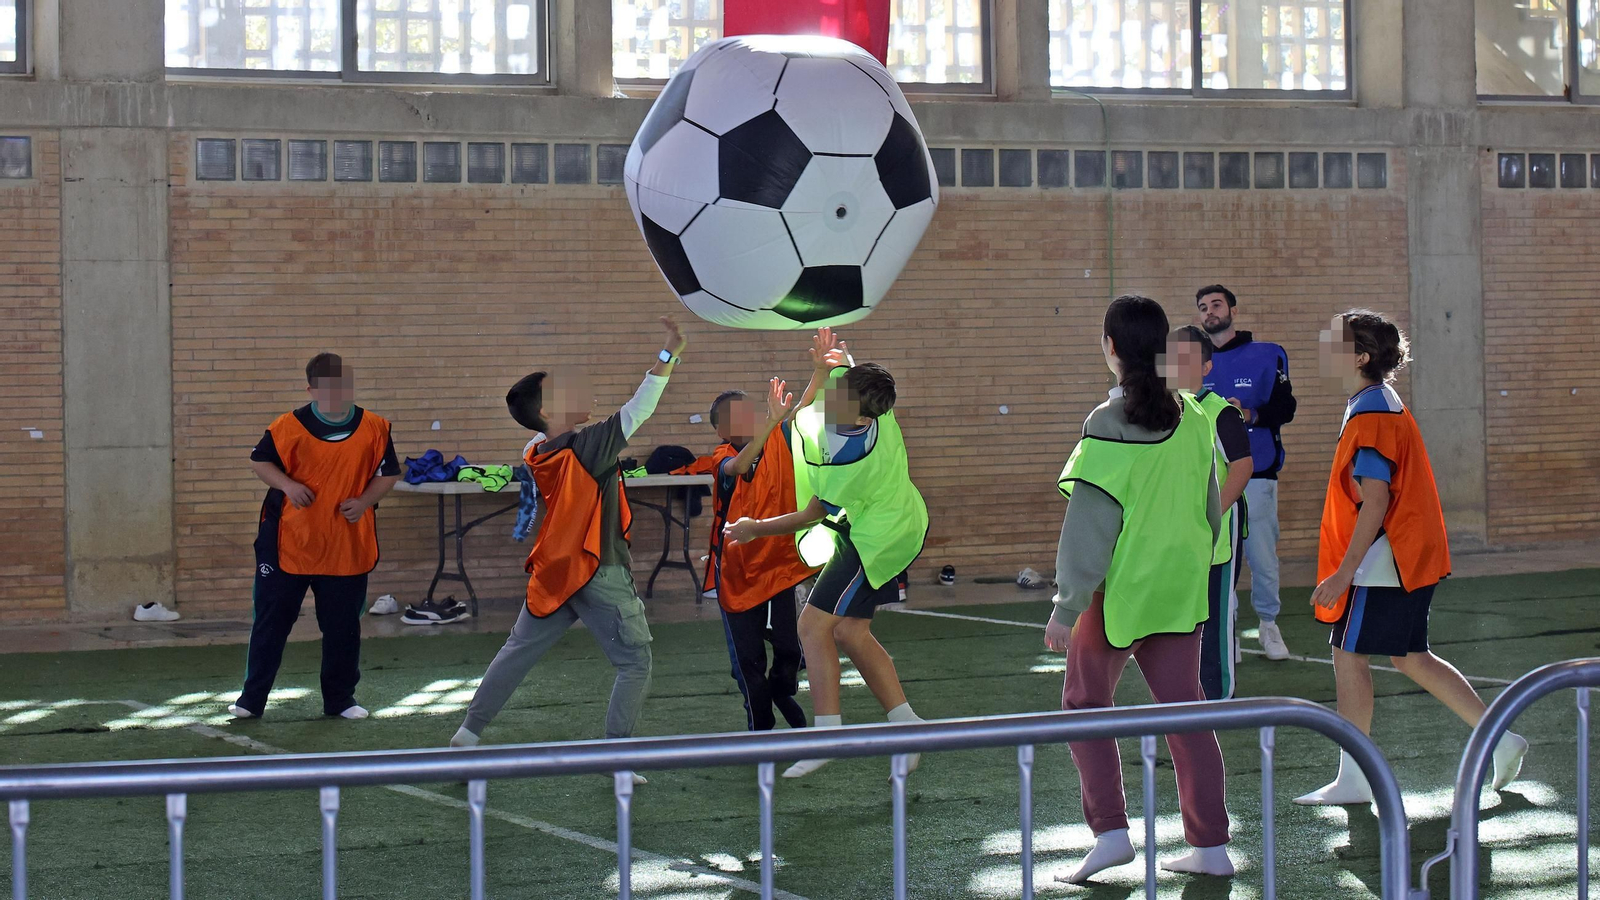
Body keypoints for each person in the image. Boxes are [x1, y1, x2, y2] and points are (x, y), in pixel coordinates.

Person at [1295, 310, 1528, 805]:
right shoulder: (1376, 402)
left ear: (1359, 357)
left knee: (1348, 654)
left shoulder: (1372, 413)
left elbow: (1375, 501)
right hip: (1404, 555)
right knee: (1410, 657)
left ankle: (1356, 778)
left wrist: (1342, 573)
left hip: (1386, 561)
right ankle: (1502, 740)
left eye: (1330, 341)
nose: (1321, 346)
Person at [450, 317, 688, 783]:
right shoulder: (585, 446)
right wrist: (668, 353)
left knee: (516, 651)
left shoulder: (536, 448)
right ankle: (618, 760)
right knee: (634, 661)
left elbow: (546, 433)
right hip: (597, 567)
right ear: (550, 409)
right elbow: (641, 407)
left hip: (554, 568)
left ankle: (468, 733)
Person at [1046, 296, 1233, 883]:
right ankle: (1210, 847)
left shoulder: (1105, 425)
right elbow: (1211, 510)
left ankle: (1110, 833)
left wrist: (1065, 607)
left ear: (1110, 349)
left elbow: (1088, 531)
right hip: (1180, 591)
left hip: (1118, 596)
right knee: (1187, 715)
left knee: (1083, 706)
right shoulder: (1198, 416)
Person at [723, 327, 928, 779]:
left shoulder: (846, 459)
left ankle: (827, 737)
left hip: (878, 537)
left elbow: (811, 513)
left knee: (812, 626)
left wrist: (755, 529)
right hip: (891, 520)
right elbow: (820, 398)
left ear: (853, 408)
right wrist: (824, 366)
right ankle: (908, 727)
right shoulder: (869, 406)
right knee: (851, 633)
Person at [230, 353, 400, 721]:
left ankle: (340, 700)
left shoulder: (375, 427)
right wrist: (289, 486)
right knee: (272, 622)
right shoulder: (287, 427)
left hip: (346, 544)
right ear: (311, 390)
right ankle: (251, 699)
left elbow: (388, 473)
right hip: (287, 541)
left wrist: (365, 501)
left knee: (342, 626)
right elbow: (260, 461)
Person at [694, 381, 817, 732]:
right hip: (737, 570)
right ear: (721, 430)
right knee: (748, 660)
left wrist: (820, 372)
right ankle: (760, 725)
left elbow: (804, 410)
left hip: (780, 562)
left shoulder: (779, 437)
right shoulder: (723, 457)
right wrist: (769, 424)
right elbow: (739, 466)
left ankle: (782, 691)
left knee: (791, 648)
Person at [1196, 284, 1296, 661]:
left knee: (1261, 554)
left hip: (1257, 473)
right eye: (1203, 307)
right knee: (1220, 554)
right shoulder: (1194, 360)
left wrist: (1250, 415)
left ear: (1233, 310)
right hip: (1208, 479)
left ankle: (1269, 625)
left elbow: (1286, 408)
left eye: (1216, 304)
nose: (1210, 312)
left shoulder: (1268, 355)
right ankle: (1229, 629)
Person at [1168, 326, 1255, 700]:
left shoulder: (1221, 412)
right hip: (1177, 542)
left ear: (1206, 367)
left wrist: (1209, 520)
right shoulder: (1167, 411)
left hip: (1214, 541)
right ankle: (1187, 705)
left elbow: (1242, 467)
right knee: (1179, 627)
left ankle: (1218, 704)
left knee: (1214, 628)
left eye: (1186, 358)